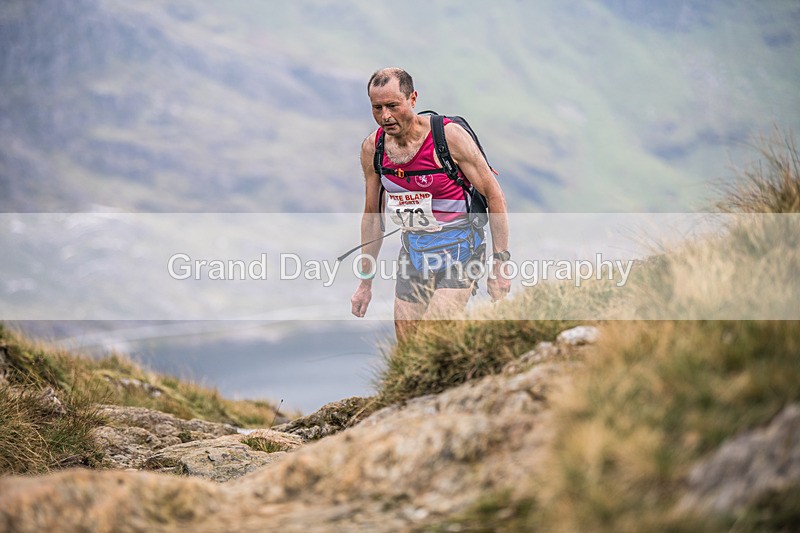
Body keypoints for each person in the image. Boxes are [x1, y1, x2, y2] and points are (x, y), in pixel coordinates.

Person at [350, 67, 511, 341]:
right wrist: (365, 283)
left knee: (434, 334)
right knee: (408, 345)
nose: (385, 116)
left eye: (392, 105)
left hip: (461, 249)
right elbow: (372, 217)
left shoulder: (448, 137)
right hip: (414, 253)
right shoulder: (373, 149)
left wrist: (500, 266)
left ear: (412, 99)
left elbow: (494, 196)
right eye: (377, 108)